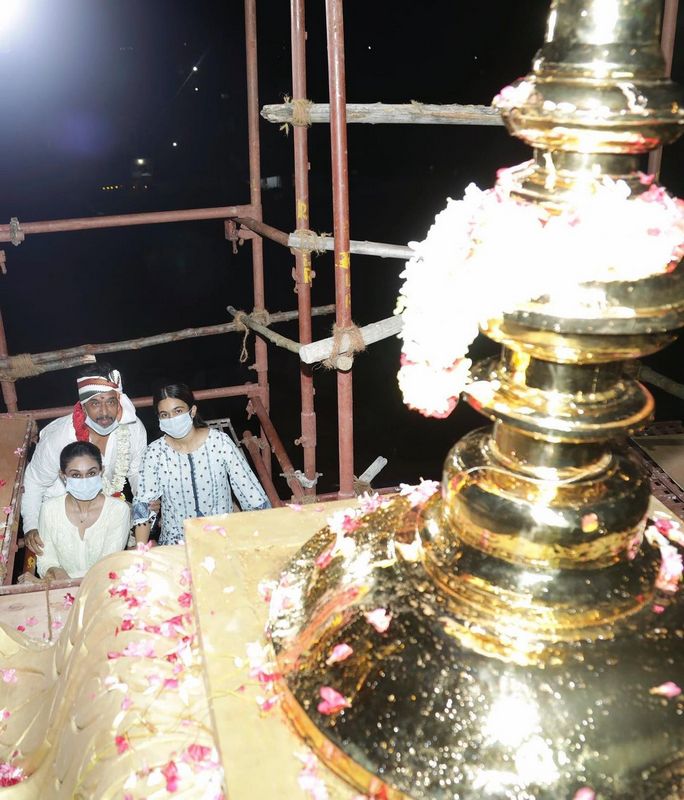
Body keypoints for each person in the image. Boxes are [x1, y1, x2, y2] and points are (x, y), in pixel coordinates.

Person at [21, 363, 147, 556]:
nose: (105, 412)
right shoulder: (62, 436)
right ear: (83, 406)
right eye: (95, 403)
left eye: (111, 402)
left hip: (104, 506)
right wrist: (30, 525)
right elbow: (34, 481)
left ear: (119, 401)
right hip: (60, 512)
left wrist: (145, 502)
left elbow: (137, 471)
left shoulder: (133, 428)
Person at [132, 383, 270, 546]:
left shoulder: (220, 442)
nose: (172, 419)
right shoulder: (155, 452)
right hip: (176, 542)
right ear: (159, 419)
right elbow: (143, 505)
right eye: (164, 414)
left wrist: (264, 536)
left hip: (222, 536)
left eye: (178, 411)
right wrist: (141, 549)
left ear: (193, 411)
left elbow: (250, 492)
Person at [35, 442, 131, 580]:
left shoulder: (118, 510)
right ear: (63, 476)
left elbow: (107, 566)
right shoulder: (49, 509)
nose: (85, 480)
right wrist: (53, 569)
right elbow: (46, 561)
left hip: (103, 591)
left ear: (101, 471)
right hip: (60, 594)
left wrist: (61, 578)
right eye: (76, 475)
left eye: (91, 473)